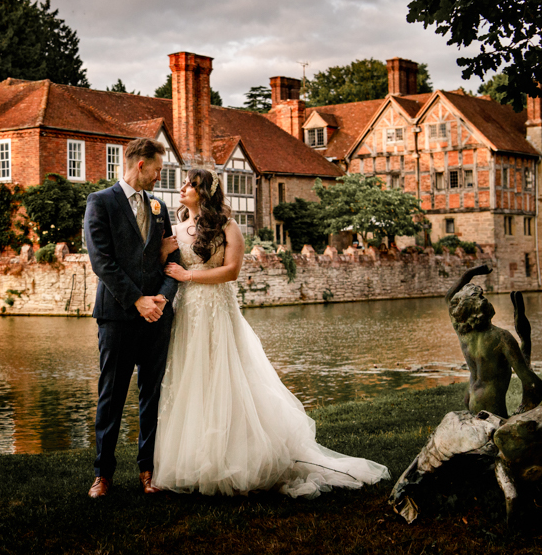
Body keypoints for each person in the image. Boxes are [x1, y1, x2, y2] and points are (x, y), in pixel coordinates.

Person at [153, 168, 391, 497]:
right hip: (188, 312)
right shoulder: (176, 230)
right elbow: (160, 263)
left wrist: (188, 276)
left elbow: (232, 271)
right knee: (192, 378)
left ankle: (235, 455)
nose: (182, 188)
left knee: (225, 376)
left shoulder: (226, 227)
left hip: (216, 309)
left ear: (204, 192)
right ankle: (194, 459)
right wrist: (163, 254)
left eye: (190, 185)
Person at [82, 138, 181, 498]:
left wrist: (162, 300)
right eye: (157, 168)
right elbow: (102, 261)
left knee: (151, 395)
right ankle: (102, 475)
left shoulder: (159, 206)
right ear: (140, 165)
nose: (159, 175)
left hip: (156, 316)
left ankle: (148, 471)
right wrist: (137, 300)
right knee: (112, 394)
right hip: (118, 315)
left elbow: (173, 260)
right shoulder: (101, 202)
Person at [445, 265, 542, 418]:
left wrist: (471, 273)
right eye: (481, 297)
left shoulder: (463, 331)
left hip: (471, 394)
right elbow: (527, 378)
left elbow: (449, 297)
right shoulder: (501, 337)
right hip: (489, 400)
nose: (485, 299)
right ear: (478, 306)